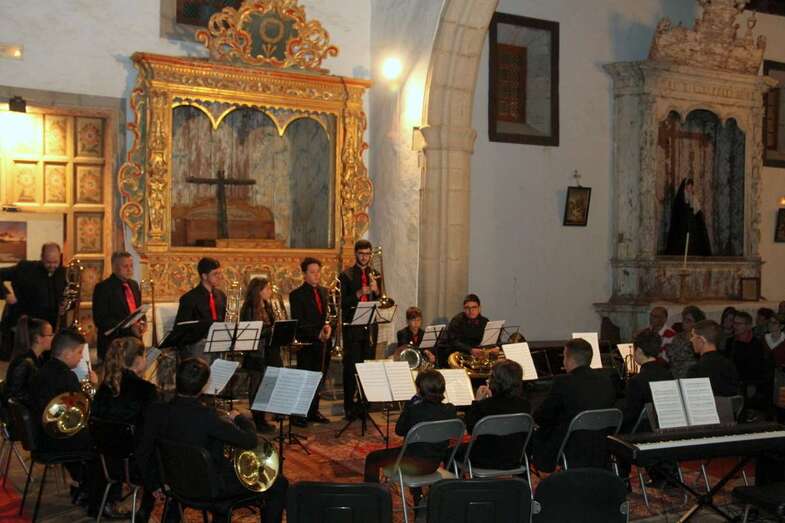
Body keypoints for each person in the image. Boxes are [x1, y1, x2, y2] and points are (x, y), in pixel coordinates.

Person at [137, 358, 288, 523]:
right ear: (203, 387)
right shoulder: (207, 416)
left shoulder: (156, 411)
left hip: (174, 483)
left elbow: (143, 451)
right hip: (209, 489)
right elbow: (249, 441)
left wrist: (153, 484)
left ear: (176, 379)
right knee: (278, 483)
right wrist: (240, 419)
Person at [31, 330, 101, 515]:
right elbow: (82, 410)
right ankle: (99, 502)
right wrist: (93, 387)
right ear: (67, 353)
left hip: (42, 437)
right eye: (79, 353)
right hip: (57, 440)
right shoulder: (65, 376)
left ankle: (82, 488)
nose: (80, 359)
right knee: (104, 444)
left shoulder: (43, 370)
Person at [91, 336, 157, 520]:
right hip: (136, 468)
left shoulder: (104, 387)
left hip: (107, 464)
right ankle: (145, 511)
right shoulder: (146, 390)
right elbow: (152, 431)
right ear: (138, 360)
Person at [531, 338, 617, 473]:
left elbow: (543, 416)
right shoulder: (606, 380)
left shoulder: (564, 382)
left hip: (571, 444)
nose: (563, 361)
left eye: (564, 356)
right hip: (601, 443)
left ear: (570, 359)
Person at [363, 369, 458, 483]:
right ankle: (417, 496)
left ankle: (373, 495)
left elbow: (399, 430)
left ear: (419, 390)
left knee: (372, 458)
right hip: (434, 463)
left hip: (413, 464)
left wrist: (409, 405)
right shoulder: (450, 410)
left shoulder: (414, 409)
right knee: (417, 449)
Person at [461, 360, 531, 470]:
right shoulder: (524, 405)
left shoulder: (483, 406)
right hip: (513, 457)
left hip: (484, 459)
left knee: (450, 452)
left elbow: (470, 429)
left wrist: (477, 401)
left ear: (495, 381)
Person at [0, 243, 65, 359]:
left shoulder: (64, 273)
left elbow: (69, 296)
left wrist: (66, 305)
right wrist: (6, 294)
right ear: (41, 257)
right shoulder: (26, 268)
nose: (52, 266)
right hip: (27, 329)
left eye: (56, 262)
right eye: (48, 262)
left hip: (52, 330)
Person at [289, 257, 332, 426]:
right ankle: (299, 414)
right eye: (312, 272)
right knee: (305, 379)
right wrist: (317, 334)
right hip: (308, 343)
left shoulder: (325, 292)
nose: (316, 276)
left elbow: (329, 317)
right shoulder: (296, 295)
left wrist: (328, 329)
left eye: (318, 272)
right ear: (304, 274)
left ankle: (313, 411)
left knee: (319, 379)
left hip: (324, 343)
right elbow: (299, 322)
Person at [339, 239, 379, 418]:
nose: (365, 257)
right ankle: (350, 407)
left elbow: (381, 302)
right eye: (362, 254)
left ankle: (365, 406)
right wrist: (358, 293)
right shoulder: (346, 275)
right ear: (355, 254)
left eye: (368, 254)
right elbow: (342, 303)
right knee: (351, 367)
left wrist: (377, 291)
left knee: (368, 367)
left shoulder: (376, 274)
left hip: (370, 327)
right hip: (352, 328)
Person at [92, 251, 146, 361]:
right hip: (114, 345)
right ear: (115, 268)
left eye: (131, 266)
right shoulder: (103, 288)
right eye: (125, 266)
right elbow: (101, 320)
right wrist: (130, 329)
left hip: (134, 343)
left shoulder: (134, 285)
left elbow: (137, 310)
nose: (129, 269)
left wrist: (142, 323)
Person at [239, 276, 277, 430]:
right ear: (259, 291)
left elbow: (270, 324)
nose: (270, 291)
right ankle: (258, 420)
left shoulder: (267, 305)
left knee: (266, 385)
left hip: (267, 351)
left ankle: (264, 417)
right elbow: (253, 331)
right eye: (267, 289)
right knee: (256, 386)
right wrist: (270, 330)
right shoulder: (249, 308)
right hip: (255, 354)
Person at [620, 330, 674, 433]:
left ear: (639, 351)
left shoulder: (636, 381)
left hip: (643, 432)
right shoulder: (668, 374)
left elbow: (629, 417)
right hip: (663, 428)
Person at [174, 257, 226, 358]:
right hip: (199, 346)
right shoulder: (189, 298)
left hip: (219, 343)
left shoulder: (221, 295)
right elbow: (181, 329)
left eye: (220, 273)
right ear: (204, 276)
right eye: (215, 274)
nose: (220, 277)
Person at [2, 316, 53, 409]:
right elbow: (14, 397)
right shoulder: (23, 363)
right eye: (50, 335)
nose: (53, 338)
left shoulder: (39, 358)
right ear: (38, 338)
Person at [728, 311, 772, 413]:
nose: (735, 326)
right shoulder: (730, 342)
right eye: (734, 323)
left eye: (739, 324)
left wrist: (750, 385)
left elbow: (758, 369)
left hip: (750, 383)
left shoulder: (757, 344)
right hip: (733, 381)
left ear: (748, 326)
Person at [438, 294, 497, 368]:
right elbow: (453, 342)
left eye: (474, 307)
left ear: (479, 308)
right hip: (461, 357)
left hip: (478, 359)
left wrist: (494, 348)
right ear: (464, 309)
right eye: (467, 308)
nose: (471, 310)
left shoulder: (485, 322)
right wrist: (470, 350)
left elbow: (491, 340)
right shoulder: (457, 321)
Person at [687, 320, 739, 397]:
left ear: (701, 340)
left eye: (693, 336)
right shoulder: (729, 364)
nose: (691, 340)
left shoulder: (696, 370)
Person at [664, 178, 711, 256]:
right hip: (681, 227)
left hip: (692, 226)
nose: (690, 188)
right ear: (685, 186)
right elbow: (677, 214)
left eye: (691, 186)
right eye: (688, 186)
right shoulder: (680, 198)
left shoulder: (693, 198)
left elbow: (697, 213)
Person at [664, 305, 704, 379]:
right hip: (675, 374)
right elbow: (670, 355)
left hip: (691, 375)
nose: (684, 322)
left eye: (688, 320)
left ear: (696, 323)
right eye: (683, 319)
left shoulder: (699, 338)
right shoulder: (678, 336)